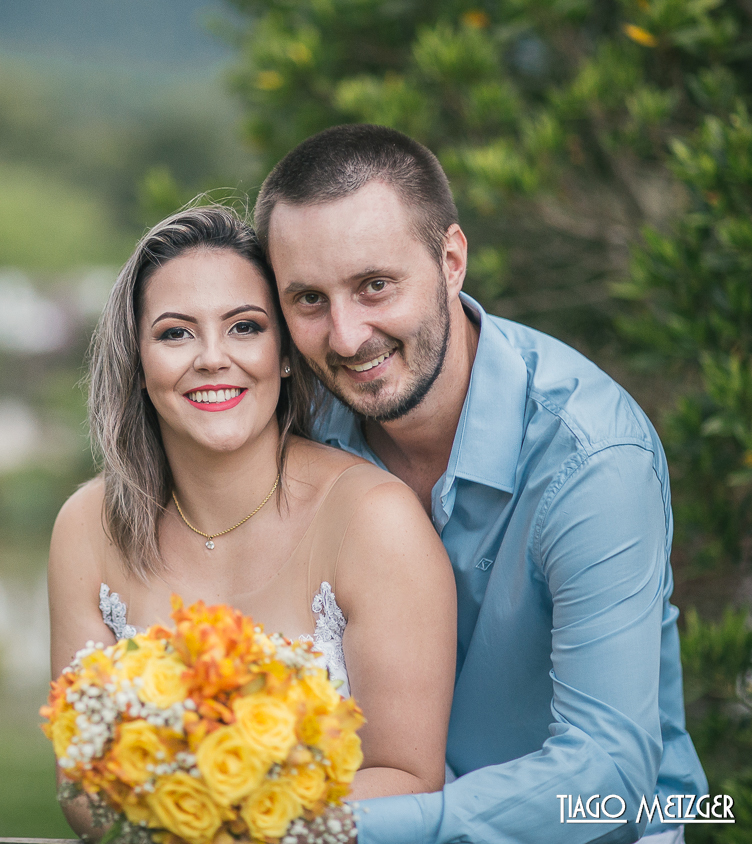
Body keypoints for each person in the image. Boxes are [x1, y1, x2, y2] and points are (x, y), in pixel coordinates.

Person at [255, 123, 708, 844]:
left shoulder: (592, 458)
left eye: (375, 286)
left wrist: (342, 826)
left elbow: (611, 776)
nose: (345, 337)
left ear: (451, 260)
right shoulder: (298, 435)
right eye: (309, 300)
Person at [47, 205, 457, 838]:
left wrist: (235, 825)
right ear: (137, 358)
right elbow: (80, 782)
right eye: (175, 333)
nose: (212, 358)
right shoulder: (87, 528)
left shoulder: (373, 520)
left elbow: (405, 774)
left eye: (244, 327)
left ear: (286, 353)